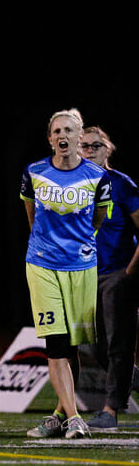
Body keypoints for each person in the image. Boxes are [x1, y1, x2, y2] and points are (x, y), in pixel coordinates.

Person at [20, 108, 112, 439]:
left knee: (73, 344)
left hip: (81, 266)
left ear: (78, 137)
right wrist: (48, 247)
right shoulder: (34, 172)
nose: (62, 135)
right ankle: (74, 417)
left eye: (69, 130)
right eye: (56, 131)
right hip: (43, 264)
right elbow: (32, 217)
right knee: (56, 342)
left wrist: (78, 246)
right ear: (50, 138)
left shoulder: (98, 178)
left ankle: (59, 415)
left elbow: (98, 219)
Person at [78, 125, 139, 429]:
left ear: (108, 149)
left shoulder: (122, 185)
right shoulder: (74, 187)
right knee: (92, 347)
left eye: (95, 145)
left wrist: (129, 273)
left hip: (116, 274)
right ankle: (130, 377)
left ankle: (111, 411)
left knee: (118, 345)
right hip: (87, 276)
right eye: (84, 146)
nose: (90, 150)